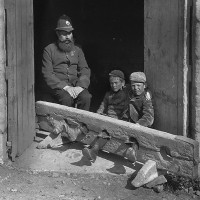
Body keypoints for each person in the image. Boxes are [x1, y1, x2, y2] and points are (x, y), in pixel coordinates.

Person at [42, 14, 91, 111]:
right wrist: (65, 87)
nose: (67, 37)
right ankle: (64, 126)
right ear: (57, 33)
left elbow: (84, 69)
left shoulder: (78, 49)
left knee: (86, 97)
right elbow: (47, 74)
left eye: (69, 33)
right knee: (66, 99)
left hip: (75, 85)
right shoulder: (49, 50)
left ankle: (81, 125)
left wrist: (80, 86)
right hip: (58, 86)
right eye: (64, 34)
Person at [82, 70, 129, 162]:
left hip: (118, 121)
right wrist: (98, 116)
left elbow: (126, 111)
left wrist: (119, 120)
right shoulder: (108, 94)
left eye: (116, 83)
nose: (114, 85)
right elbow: (102, 106)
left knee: (104, 133)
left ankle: (93, 152)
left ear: (122, 83)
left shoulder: (126, 94)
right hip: (107, 118)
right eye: (111, 83)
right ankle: (92, 150)